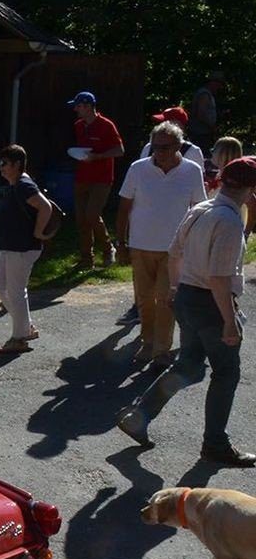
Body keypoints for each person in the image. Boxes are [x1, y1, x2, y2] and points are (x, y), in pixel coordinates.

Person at [116, 156, 256, 466]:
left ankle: (138, 415)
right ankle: (215, 444)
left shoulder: (200, 210)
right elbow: (219, 279)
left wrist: (176, 288)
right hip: (210, 303)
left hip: (188, 297)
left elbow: (174, 251)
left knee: (189, 363)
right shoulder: (230, 222)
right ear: (250, 190)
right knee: (226, 372)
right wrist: (230, 323)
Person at [116, 121, 209, 365]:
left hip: (174, 249)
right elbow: (124, 206)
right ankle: (147, 343)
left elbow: (199, 209)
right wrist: (121, 242)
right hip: (140, 245)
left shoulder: (191, 171)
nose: (159, 152)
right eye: (156, 147)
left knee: (167, 299)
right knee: (145, 299)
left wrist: (197, 244)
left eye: (165, 147)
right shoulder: (138, 169)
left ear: (179, 145)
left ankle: (161, 351)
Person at [0, 145, 53, 355]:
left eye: (4, 164)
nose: (0, 168)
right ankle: (25, 326)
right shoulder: (13, 184)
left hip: (22, 247)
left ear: (17, 164)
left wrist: (38, 232)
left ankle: (19, 338)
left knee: (16, 291)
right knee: (0, 286)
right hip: (9, 246)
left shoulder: (24, 185)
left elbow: (45, 207)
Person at [68, 90, 125, 267]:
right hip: (82, 176)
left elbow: (119, 150)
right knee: (81, 219)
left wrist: (98, 157)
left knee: (92, 215)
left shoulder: (106, 125)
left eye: (78, 106)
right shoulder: (78, 126)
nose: (76, 109)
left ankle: (108, 249)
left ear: (87, 106)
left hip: (102, 178)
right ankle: (86, 258)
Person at [189, 70, 225, 150]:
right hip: (200, 134)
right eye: (218, 83)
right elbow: (201, 114)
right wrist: (212, 127)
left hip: (204, 133)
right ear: (212, 82)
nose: (219, 86)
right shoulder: (204, 94)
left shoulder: (207, 94)